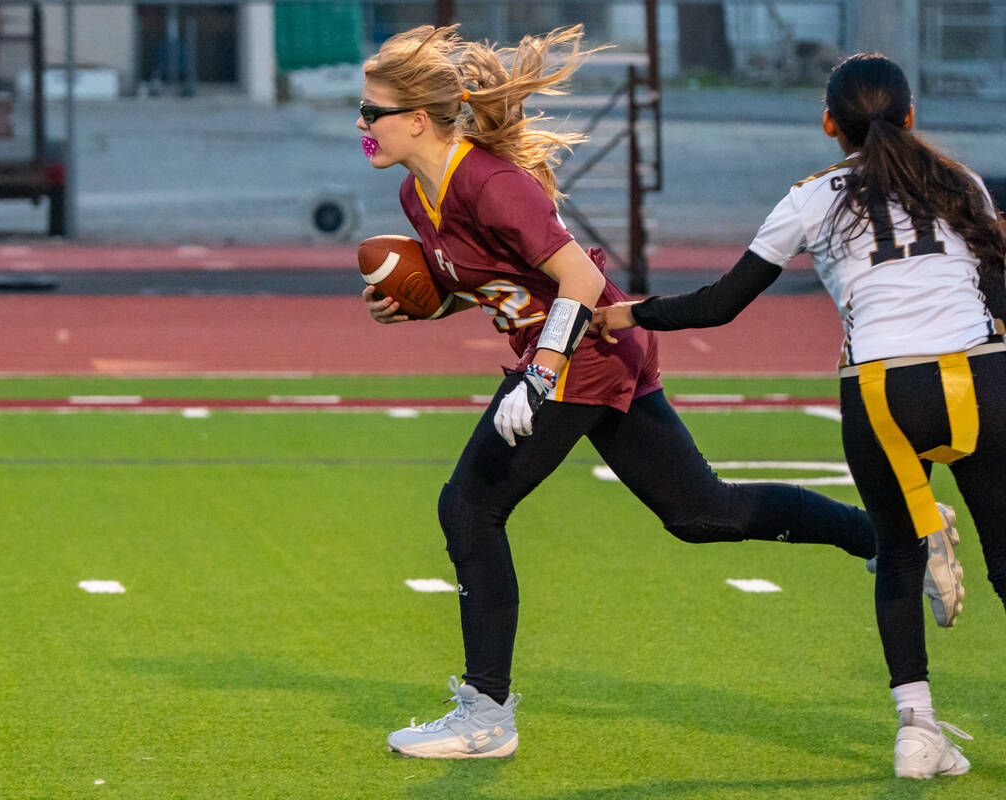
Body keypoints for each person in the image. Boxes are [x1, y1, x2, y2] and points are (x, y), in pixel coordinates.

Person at [356, 29, 963, 762]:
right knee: (702, 513)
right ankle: (894, 536)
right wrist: (427, 301)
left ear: (418, 119)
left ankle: (486, 716)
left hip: (584, 354)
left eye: (371, 110)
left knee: (470, 507)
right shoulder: (415, 193)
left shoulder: (489, 183)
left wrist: (541, 374)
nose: (362, 125)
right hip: (584, 353)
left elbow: (578, 281)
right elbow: (495, 285)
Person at [595, 53, 1006, 779]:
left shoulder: (813, 197)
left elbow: (722, 304)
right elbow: (997, 290)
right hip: (981, 372)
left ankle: (916, 731)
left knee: (900, 553)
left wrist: (629, 313)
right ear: (911, 115)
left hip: (883, 387)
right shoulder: (960, 179)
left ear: (828, 123)